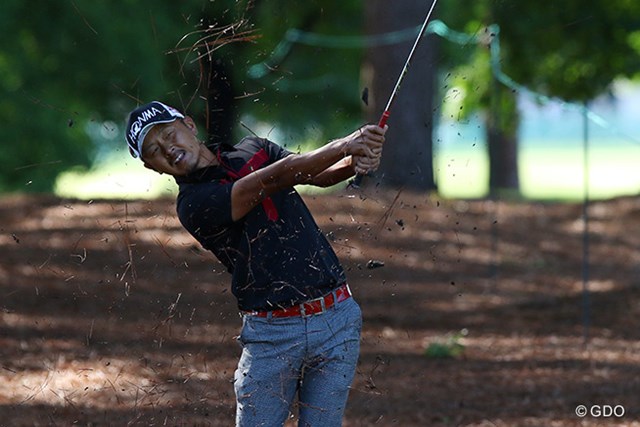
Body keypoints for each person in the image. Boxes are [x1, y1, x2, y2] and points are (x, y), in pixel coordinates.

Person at [125, 101, 386, 426]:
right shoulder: (194, 204)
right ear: (153, 167)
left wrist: (355, 161)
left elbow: (312, 173)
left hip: (337, 318)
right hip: (272, 334)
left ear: (189, 125)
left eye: (168, 133)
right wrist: (344, 145)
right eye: (154, 150)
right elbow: (268, 181)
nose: (168, 148)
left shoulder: (254, 148)